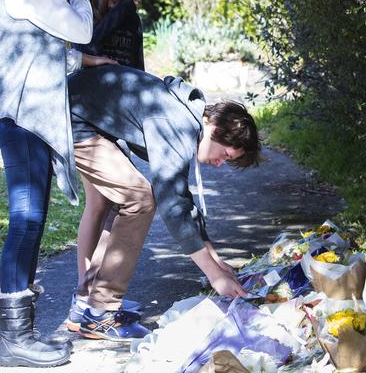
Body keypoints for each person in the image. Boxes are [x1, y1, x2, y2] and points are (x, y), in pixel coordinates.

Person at [0, 0, 114, 367]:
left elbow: (45, 48)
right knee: (27, 220)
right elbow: (79, 30)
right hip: (20, 117)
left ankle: (20, 334)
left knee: (30, 221)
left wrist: (83, 60)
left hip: (22, 115)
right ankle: (15, 340)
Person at [66, 65, 261, 341]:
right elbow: (173, 205)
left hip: (81, 114)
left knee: (127, 199)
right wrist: (214, 276)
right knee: (140, 199)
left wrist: (218, 263)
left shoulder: (185, 117)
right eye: (225, 156)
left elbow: (182, 199)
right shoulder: (177, 123)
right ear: (215, 129)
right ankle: (100, 313)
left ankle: (86, 304)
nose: (219, 164)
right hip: (68, 116)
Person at [67, 0, 145, 330]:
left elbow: (135, 64)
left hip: (113, 115)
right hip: (86, 116)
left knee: (110, 203)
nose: (121, 9)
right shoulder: (83, 20)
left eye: (126, 2)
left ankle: (88, 295)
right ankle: (83, 298)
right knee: (100, 204)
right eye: (115, 2)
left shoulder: (123, 18)